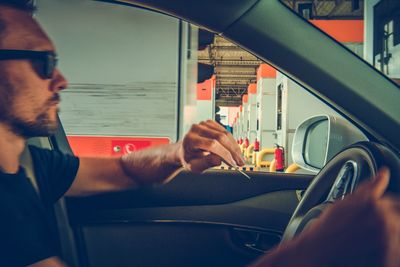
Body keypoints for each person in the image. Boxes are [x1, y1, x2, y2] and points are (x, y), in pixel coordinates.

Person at [0, 1, 398, 267]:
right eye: (44, 62)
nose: (62, 80)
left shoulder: (30, 165)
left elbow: (123, 171)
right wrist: (310, 254)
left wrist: (177, 153)